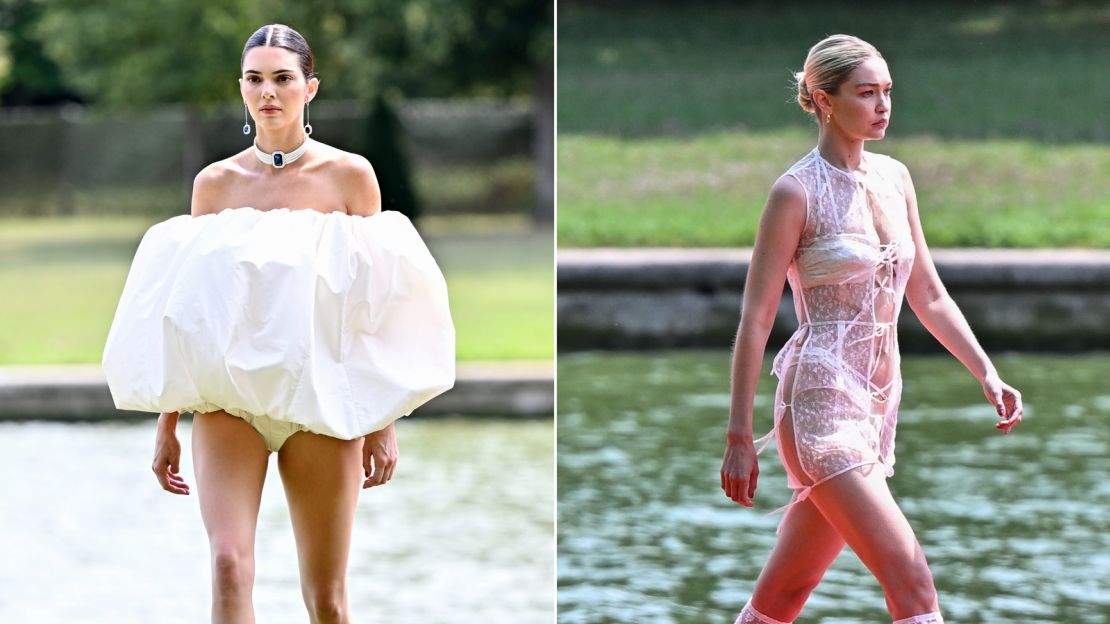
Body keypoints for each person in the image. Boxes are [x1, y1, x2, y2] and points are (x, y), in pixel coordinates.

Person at [101, 24, 455, 623]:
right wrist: (167, 422)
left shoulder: (349, 177)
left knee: (328, 602)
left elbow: (379, 306)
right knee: (229, 566)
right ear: (241, 88)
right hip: (227, 405)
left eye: (283, 79)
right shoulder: (214, 186)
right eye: (255, 79)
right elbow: (189, 312)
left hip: (319, 404)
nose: (269, 93)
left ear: (309, 88)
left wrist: (382, 417)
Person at [718, 34, 1023, 624]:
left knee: (785, 595)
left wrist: (987, 373)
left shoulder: (896, 178)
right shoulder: (795, 192)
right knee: (912, 584)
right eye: (866, 93)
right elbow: (755, 319)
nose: (883, 105)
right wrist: (738, 435)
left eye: (887, 91)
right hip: (819, 406)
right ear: (822, 99)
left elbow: (928, 294)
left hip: (877, 410)